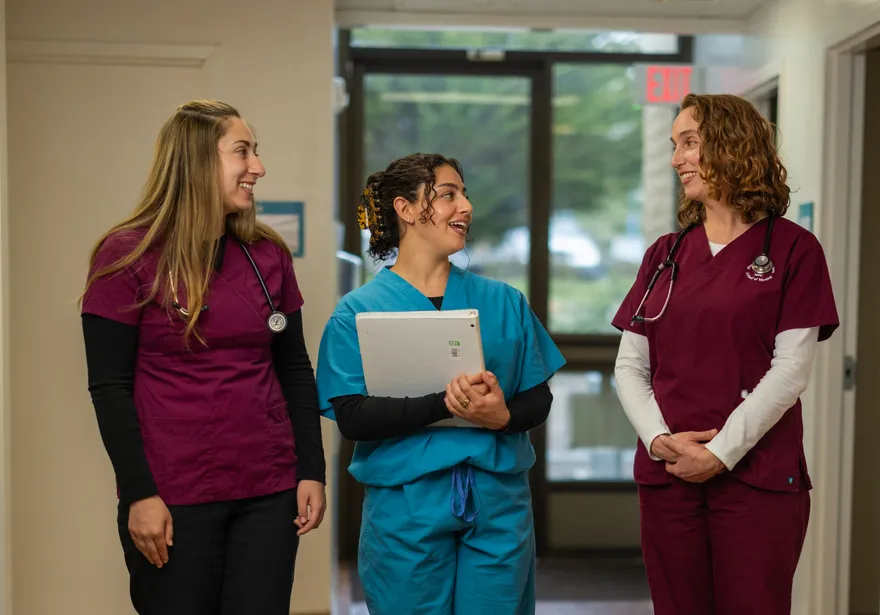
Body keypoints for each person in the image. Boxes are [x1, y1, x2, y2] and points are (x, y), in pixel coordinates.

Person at [79, 100, 326, 615]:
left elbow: (295, 371)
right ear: (196, 161)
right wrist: (140, 495)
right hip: (173, 493)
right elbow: (110, 386)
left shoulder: (266, 254)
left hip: (268, 486)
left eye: (255, 152)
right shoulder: (126, 257)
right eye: (242, 152)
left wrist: (311, 469)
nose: (257, 167)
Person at [612, 92, 839, 615]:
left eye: (689, 142)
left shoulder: (794, 251)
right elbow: (630, 365)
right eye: (674, 145)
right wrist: (661, 440)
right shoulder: (665, 254)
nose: (676, 159)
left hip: (756, 479)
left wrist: (718, 454)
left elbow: (791, 370)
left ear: (732, 145)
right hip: (668, 477)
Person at [315, 153, 565, 615]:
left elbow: (538, 395)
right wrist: (447, 404)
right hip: (405, 506)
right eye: (449, 195)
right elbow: (352, 416)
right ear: (405, 209)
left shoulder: (504, 301)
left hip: (496, 502)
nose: (465, 206)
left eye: (464, 194)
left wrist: (503, 416)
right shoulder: (358, 312)